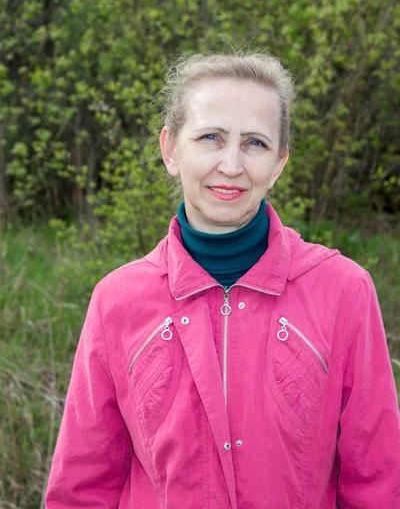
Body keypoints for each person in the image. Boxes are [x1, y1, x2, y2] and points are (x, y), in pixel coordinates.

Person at [45, 53, 400, 509]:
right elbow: (83, 486)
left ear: (279, 163)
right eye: (210, 137)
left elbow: (377, 480)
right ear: (171, 149)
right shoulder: (116, 300)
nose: (231, 165)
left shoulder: (344, 290)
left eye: (255, 143)